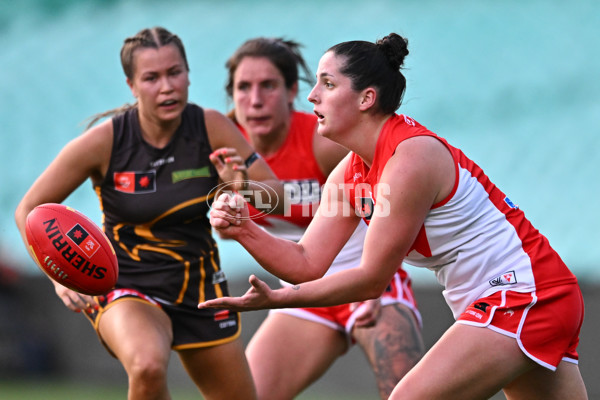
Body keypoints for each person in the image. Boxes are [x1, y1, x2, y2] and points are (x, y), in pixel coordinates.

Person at [201, 33, 588, 400]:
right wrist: (244, 228)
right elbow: (306, 260)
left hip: (525, 295)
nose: (313, 95)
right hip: (507, 298)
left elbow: (371, 279)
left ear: (367, 98)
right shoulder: (350, 171)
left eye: (328, 84)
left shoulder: (411, 158)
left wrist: (279, 298)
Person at [15, 26, 284, 400]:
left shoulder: (211, 127)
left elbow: (278, 198)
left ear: (189, 74)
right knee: (146, 364)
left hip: (200, 289)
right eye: (152, 78)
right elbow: (30, 209)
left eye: (174, 73)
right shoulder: (106, 141)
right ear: (131, 85)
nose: (167, 87)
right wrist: (59, 276)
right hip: (126, 284)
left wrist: (240, 187)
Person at [223, 37, 424, 399]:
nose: (255, 100)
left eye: (268, 86)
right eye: (243, 87)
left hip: (370, 277)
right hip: (305, 284)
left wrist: (373, 286)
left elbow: (390, 205)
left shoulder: (325, 141)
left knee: (405, 392)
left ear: (292, 92)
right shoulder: (222, 153)